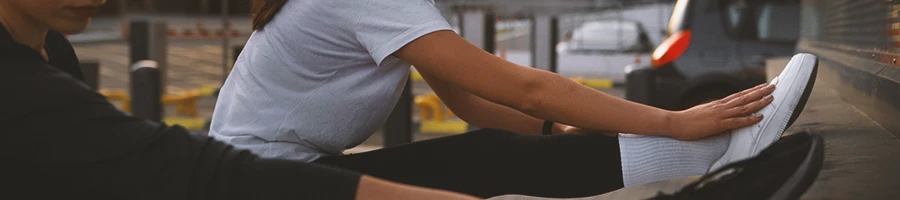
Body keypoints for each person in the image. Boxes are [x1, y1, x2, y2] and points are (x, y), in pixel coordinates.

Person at [210, 0, 777, 198]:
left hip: (276, 173)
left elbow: (469, 104)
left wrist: (561, 135)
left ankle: (709, 152)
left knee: (473, 155)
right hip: (261, 185)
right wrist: (673, 123)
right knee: (468, 162)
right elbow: (525, 89)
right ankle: (708, 151)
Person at [0, 0, 480, 199]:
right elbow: (181, 165)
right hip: (259, 170)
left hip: (278, 164)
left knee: (482, 156)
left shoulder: (53, 50)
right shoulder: (21, 81)